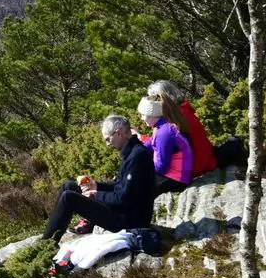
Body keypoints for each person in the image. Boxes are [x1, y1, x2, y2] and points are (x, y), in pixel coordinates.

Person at [43, 114, 155, 242]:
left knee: (69, 198)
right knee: (68, 186)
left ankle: (47, 242)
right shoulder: (131, 153)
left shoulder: (137, 156)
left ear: (118, 133)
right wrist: (97, 185)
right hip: (123, 210)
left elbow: (125, 198)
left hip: (130, 220)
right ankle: (51, 232)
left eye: (108, 139)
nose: (108, 144)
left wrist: (96, 195)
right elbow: (119, 186)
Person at [148, 80, 217, 178]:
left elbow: (163, 145)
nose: (151, 104)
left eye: (153, 100)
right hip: (205, 158)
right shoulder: (183, 109)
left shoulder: (176, 117)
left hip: (195, 166)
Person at [137, 95, 193, 194]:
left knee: (134, 188)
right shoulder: (161, 126)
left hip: (176, 180)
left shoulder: (164, 132)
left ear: (153, 114)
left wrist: (141, 166)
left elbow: (161, 167)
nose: (141, 118)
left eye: (143, 114)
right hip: (172, 176)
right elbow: (147, 145)